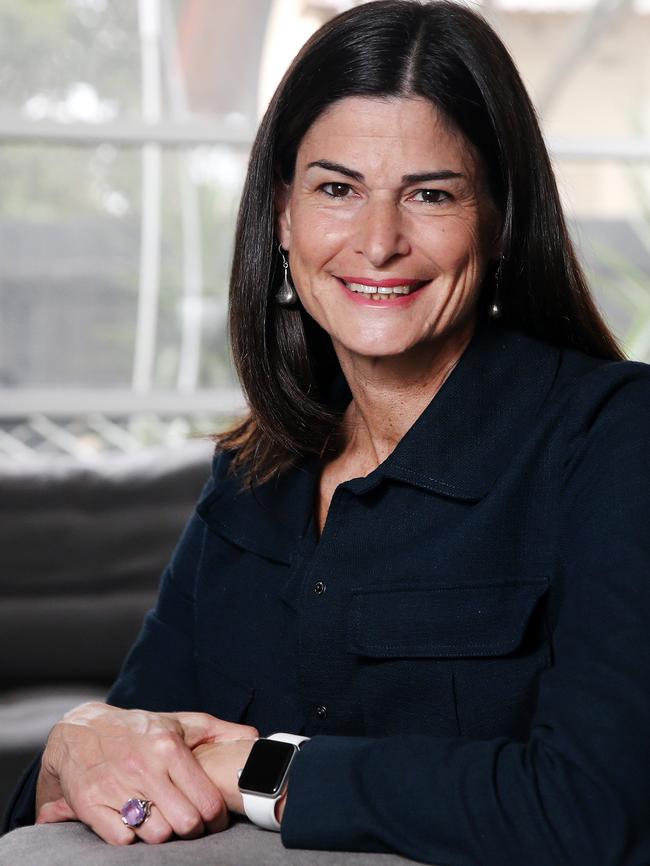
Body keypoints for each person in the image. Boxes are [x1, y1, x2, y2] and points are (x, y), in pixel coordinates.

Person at [4, 1, 650, 864]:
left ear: (498, 219)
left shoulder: (613, 440)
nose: (377, 242)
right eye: (337, 189)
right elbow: (123, 765)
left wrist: (265, 770)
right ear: (282, 215)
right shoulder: (252, 475)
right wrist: (72, 743)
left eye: (429, 194)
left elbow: (596, 810)